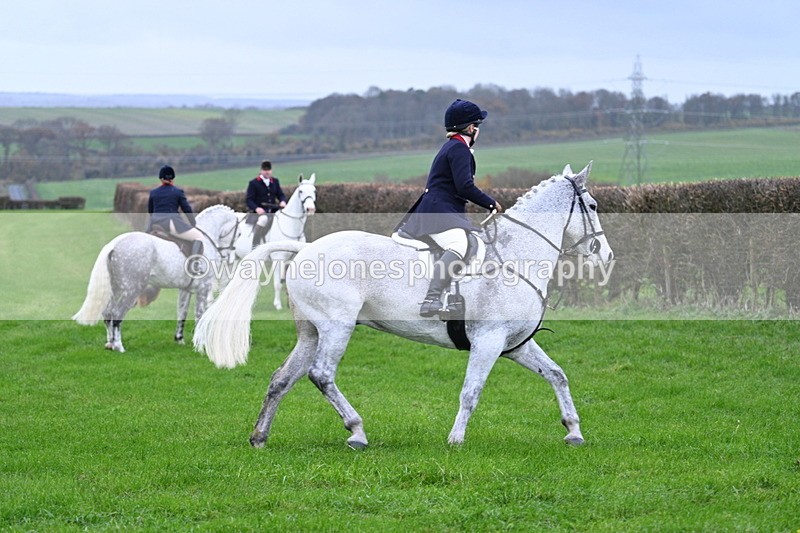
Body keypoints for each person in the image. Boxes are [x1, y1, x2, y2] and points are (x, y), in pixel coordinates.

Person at [398, 99, 503, 317]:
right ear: (471, 128)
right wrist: (490, 203)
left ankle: (454, 297)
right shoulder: (459, 149)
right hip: (438, 212)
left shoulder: (454, 147)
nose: (478, 131)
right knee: (458, 245)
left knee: (468, 241)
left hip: (442, 210)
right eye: (478, 126)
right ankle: (431, 299)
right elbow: (465, 187)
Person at [147, 165, 204, 259]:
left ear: (161, 179)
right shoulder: (177, 192)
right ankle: (194, 264)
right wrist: (193, 223)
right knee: (198, 236)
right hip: (170, 223)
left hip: (154, 223)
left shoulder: (153, 192)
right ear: (173, 178)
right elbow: (187, 209)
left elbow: (150, 211)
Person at [246, 160, 287, 248]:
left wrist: (283, 201)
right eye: (265, 170)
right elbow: (249, 200)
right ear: (261, 170)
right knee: (263, 220)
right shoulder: (254, 183)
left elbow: (280, 194)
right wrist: (257, 208)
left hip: (273, 211)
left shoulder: (275, 181)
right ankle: (255, 245)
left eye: (269, 170)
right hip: (259, 213)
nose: (267, 172)